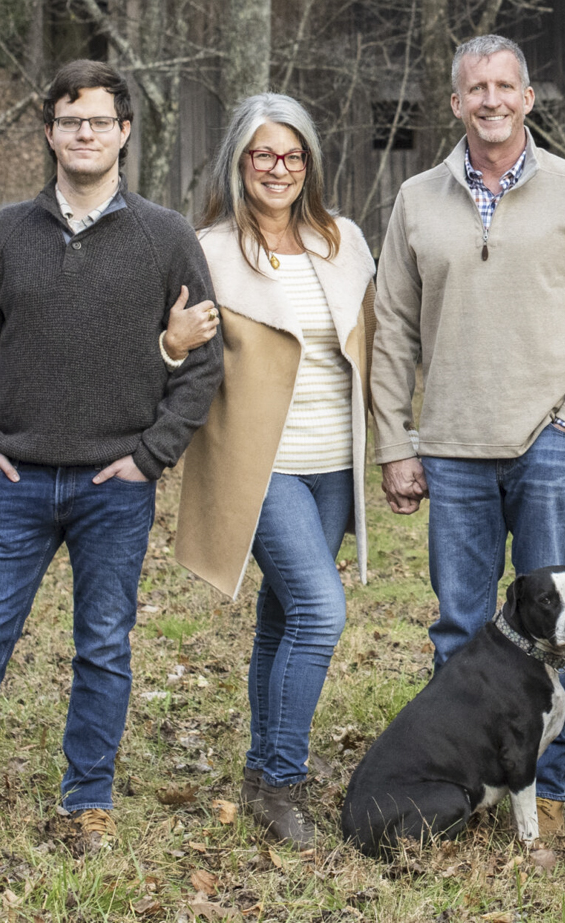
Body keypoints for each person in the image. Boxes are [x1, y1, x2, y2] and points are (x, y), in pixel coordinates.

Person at [0, 59, 223, 857]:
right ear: (50, 133)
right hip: (14, 482)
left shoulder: (165, 236)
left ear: (124, 131)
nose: (84, 134)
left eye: (98, 120)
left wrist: (150, 457)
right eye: (69, 121)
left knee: (103, 646)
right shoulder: (5, 233)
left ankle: (87, 802)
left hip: (114, 485)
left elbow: (203, 357)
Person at [371, 34, 565, 840]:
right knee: (462, 626)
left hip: (547, 444)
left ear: (528, 97)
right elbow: (390, 328)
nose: (490, 99)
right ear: (455, 104)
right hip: (452, 445)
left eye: (505, 86)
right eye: (474, 88)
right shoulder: (417, 199)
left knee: (557, 627)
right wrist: (396, 439)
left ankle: (546, 787)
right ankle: (468, 777)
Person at [165, 94, 376, 849]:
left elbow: (371, 348)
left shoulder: (343, 241)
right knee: (322, 611)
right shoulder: (207, 248)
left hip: (331, 463)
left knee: (284, 617)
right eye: (263, 155)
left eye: (292, 155)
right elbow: (172, 353)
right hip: (263, 467)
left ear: (309, 163)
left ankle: (258, 776)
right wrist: (171, 341)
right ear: (239, 162)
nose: (278, 168)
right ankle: (284, 781)